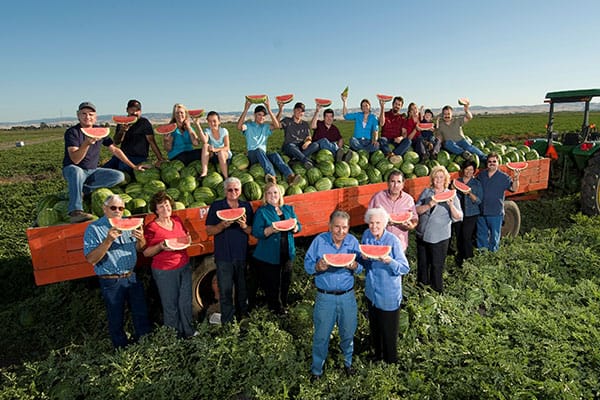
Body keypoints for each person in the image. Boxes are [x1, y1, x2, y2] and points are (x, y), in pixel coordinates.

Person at [83, 194, 151, 348]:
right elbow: (92, 259)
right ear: (104, 209)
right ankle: (121, 349)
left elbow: (140, 249)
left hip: (131, 276)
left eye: (121, 208)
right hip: (111, 280)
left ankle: (146, 345)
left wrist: (141, 239)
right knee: (116, 317)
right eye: (113, 208)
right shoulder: (94, 229)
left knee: (141, 313)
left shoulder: (128, 224)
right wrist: (108, 241)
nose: (117, 211)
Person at [63, 102, 145, 223]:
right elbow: (75, 159)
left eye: (91, 114)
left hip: (92, 171)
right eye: (84, 114)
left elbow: (115, 149)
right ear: (78, 115)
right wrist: (86, 144)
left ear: (95, 117)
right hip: (73, 170)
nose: (87, 117)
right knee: (76, 171)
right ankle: (75, 211)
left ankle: (83, 190)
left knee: (118, 176)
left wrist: (133, 166)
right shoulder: (72, 132)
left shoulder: (99, 130)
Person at [304, 210, 363, 379]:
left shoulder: (352, 242)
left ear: (348, 227)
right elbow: (307, 264)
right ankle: (317, 370)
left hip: (347, 297)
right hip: (325, 297)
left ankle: (348, 364)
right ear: (330, 226)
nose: (340, 231)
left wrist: (354, 266)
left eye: (344, 227)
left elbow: (360, 267)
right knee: (321, 336)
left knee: (348, 333)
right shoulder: (319, 241)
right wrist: (317, 267)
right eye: (337, 227)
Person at [361, 207, 410, 364]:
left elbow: (404, 267)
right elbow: (365, 263)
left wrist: (390, 261)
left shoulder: (393, 241)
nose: (374, 226)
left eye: (378, 223)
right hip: (371, 291)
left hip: (388, 293)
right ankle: (377, 355)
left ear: (385, 223)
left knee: (389, 331)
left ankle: (391, 362)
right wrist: (362, 258)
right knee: (375, 327)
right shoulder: (366, 236)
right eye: (371, 223)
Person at [143, 191, 195, 338]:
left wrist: (187, 240)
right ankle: (173, 336)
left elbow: (184, 237)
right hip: (165, 271)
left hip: (184, 266)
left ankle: (189, 332)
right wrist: (160, 246)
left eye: (167, 204)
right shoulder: (152, 227)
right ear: (155, 210)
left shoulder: (177, 220)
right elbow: (146, 253)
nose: (165, 208)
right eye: (161, 206)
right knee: (170, 305)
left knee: (185, 302)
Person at [205, 177, 254, 323]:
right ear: (225, 191)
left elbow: (252, 231)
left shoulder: (246, 206)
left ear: (240, 191)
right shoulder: (216, 206)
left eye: (236, 189)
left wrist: (245, 226)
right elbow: (209, 231)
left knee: (242, 290)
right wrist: (221, 226)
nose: (233, 192)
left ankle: (243, 319)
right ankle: (228, 322)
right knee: (225, 292)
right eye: (230, 190)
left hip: (241, 255)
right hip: (223, 257)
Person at [251, 182, 301, 315]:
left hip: (287, 253)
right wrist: (271, 229)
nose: (273, 195)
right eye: (269, 193)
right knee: (273, 285)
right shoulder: (262, 212)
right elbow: (257, 232)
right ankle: (276, 311)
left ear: (280, 194)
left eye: (275, 192)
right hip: (268, 255)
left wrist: (295, 227)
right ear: (265, 196)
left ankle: (283, 305)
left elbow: (298, 225)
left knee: (286, 281)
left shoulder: (288, 209)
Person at [415, 166, 463, 293]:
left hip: (439, 237)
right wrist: (428, 205)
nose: (438, 179)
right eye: (436, 177)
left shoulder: (451, 195)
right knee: (423, 265)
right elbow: (416, 210)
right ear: (432, 179)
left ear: (446, 179)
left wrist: (451, 205)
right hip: (422, 234)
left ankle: (437, 292)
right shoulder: (426, 192)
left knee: (436, 266)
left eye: (441, 177)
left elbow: (459, 217)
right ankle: (422, 290)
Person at [237, 97, 300, 185]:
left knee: (274, 155)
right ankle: (272, 177)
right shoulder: (248, 125)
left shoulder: (265, 127)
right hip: (252, 155)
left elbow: (277, 125)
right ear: (255, 115)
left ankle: (290, 176)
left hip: (263, 155)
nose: (262, 117)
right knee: (259, 150)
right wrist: (246, 109)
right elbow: (239, 127)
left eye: (263, 115)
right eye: (259, 114)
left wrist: (270, 109)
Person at [103, 99, 165, 173]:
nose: (135, 112)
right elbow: (117, 142)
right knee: (104, 169)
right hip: (122, 156)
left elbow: (151, 141)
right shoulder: (122, 123)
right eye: (132, 110)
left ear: (140, 111)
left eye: (137, 110)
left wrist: (160, 159)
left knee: (122, 169)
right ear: (127, 110)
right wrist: (122, 131)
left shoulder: (144, 123)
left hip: (138, 157)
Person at [476, 152, 520, 252]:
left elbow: (514, 188)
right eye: (489, 161)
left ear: (498, 163)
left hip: (495, 212)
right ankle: (482, 255)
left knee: (494, 236)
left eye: (494, 161)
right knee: (481, 235)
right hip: (482, 211)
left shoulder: (503, 177)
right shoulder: (482, 175)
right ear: (487, 163)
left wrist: (516, 178)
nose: (492, 163)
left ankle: (493, 255)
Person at [368, 170, 418, 252]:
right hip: (380, 244)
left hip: (400, 244)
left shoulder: (408, 199)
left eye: (399, 182)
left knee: (398, 265)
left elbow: (415, 218)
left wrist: (411, 226)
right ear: (388, 183)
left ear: (403, 184)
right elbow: (369, 218)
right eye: (392, 181)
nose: (395, 185)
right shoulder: (377, 197)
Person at [453, 160, 483, 267]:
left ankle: (469, 258)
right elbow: (452, 197)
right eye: (467, 169)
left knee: (466, 237)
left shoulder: (477, 184)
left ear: (474, 171)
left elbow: (479, 200)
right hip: (459, 213)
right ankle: (460, 259)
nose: (469, 172)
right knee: (459, 237)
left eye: (471, 170)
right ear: (463, 170)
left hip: (471, 214)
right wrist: (452, 189)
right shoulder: (457, 181)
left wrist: (469, 193)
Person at [277, 101, 319, 168]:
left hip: (300, 147)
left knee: (316, 145)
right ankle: (306, 161)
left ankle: (296, 160)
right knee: (291, 146)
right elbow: (277, 125)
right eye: (298, 110)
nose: (300, 112)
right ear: (294, 110)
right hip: (289, 147)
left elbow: (309, 137)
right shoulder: (287, 121)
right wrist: (280, 110)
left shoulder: (305, 124)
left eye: (302, 111)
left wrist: (307, 142)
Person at [198, 111, 231, 178]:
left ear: (219, 121)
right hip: (213, 154)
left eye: (214, 121)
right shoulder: (207, 131)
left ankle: (226, 177)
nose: (212, 123)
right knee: (205, 145)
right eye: (209, 121)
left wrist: (215, 149)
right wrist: (197, 124)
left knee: (221, 153)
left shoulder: (224, 131)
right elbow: (205, 140)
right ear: (207, 121)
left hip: (224, 154)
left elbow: (227, 147)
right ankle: (204, 172)